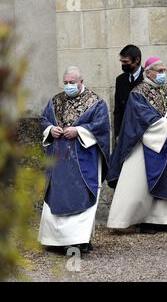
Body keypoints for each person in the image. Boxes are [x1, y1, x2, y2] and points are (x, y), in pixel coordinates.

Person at [107, 57, 167, 234]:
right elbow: (140, 116)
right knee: (140, 185)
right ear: (148, 72)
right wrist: (166, 125)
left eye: (164, 71)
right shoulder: (138, 93)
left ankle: (163, 221)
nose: (163, 74)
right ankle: (142, 220)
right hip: (145, 145)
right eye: (159, 71)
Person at [39, 66, 110, 254]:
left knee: (82, 195)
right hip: (59, 160)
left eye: (72, 83)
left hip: (82, 160)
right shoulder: (56, 101)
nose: (68, 86)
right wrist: (50, 129)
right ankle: (54, 240)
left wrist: (79, 130)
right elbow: (43, 120)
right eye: (66, 83)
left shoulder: (96, 103)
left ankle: (79, 240)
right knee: (57, 195)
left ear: (81, 81)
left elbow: (101, 127)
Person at [114, 44, 144, 139]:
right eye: (122, 62)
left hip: (144, 132)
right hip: (126, 133)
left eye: (126, 62)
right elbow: (118, 110)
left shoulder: (147, 78)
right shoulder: (120, 80)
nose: (123, 65)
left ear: (137, 60)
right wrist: (117, 134)